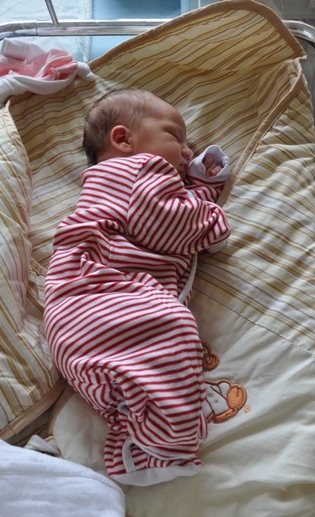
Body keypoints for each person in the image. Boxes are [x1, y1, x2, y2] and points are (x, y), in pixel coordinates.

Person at [44, 88, 246, 486]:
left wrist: (197, 190)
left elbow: (166, 216)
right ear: (123, 140)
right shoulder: (138, 170)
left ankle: (131, 443)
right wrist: (213, 216)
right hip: (102, 296)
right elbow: (178, 226)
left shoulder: (123, 185)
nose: (188, 150)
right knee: (175, 328)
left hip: (82, 323)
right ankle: (162, 448)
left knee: (146, 374)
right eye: (175, 136)